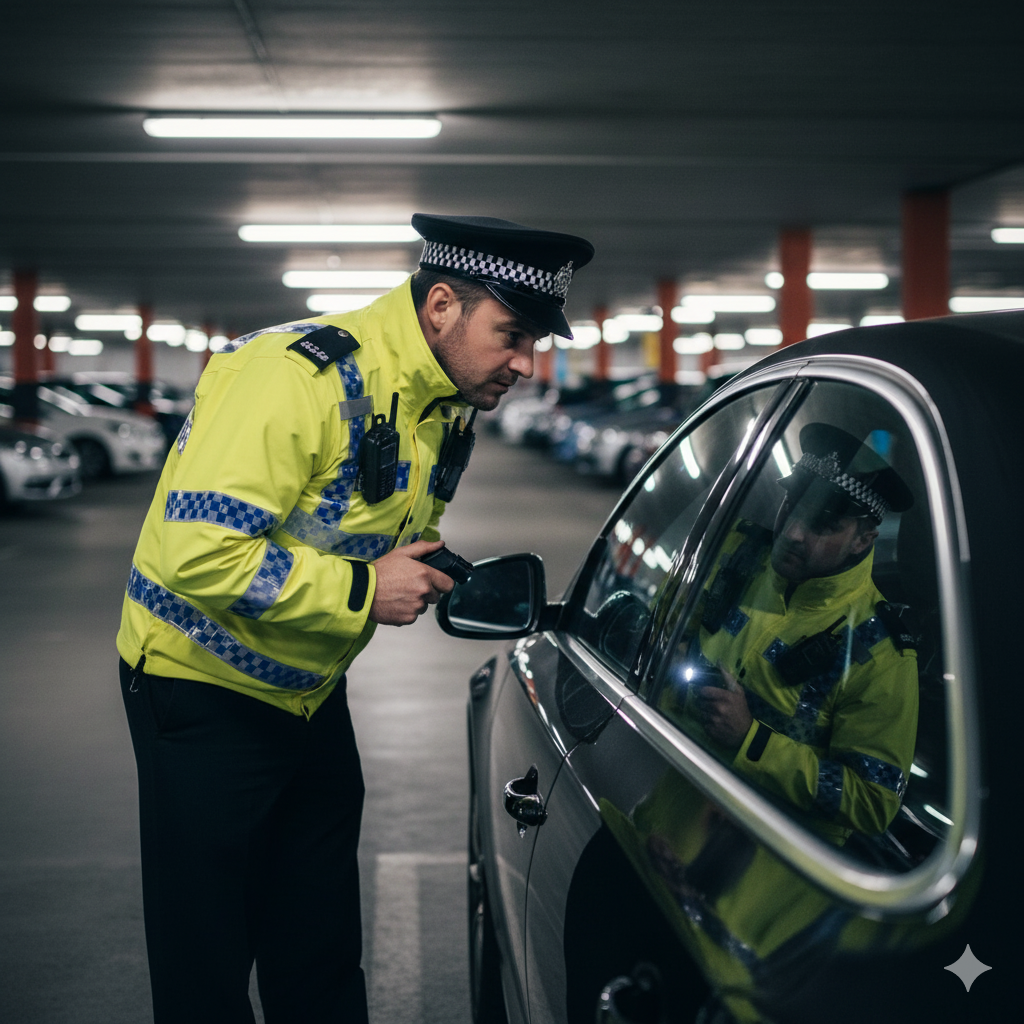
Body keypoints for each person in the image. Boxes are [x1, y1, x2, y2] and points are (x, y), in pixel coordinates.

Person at [116, 213, 594, 1023]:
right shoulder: (291, 376)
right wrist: (363, 593)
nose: (525, 362)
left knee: (321, 948)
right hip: (200, 693)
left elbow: (376, 523)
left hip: (307, 692)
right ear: (441, 304)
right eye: (510, 334)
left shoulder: (446, 401)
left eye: (533, 341)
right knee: (207, 964)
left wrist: (437, 568)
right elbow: (194, 553)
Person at [668, 423, 919, 845]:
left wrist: (752, 739)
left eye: (821, 524)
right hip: (665, 808)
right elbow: (661, 627)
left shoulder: (880, 651)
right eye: (791, 505)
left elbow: (874, 803)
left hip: (762, 868)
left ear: (863, 540)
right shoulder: (734, 552)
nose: (792, 533)